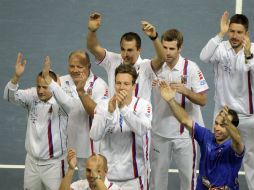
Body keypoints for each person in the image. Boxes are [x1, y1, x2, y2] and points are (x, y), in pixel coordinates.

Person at [200, 11, 254, 189]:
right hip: (222, 115)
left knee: (250, 161)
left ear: (246, 34)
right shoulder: (221, 47)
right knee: (217, 156)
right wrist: (219, 34)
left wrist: (248, 56)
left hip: (246, 116)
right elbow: (204, 57)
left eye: (239, 32)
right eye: (231, 31)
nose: (234, 36)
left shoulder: (252, 50)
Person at [150, 29, 209, 190]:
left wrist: (186, 91)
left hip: (186, 135)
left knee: (188, 180)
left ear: (180, 48)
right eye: (164, 48)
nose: (167, 52)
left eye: (171, 48)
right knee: (156, 179)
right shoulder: (154, 67)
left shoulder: (191, 68)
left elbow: (203, 100)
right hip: (160, 133)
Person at [159, 81, 244, 190]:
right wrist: (171, 100)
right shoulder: (206, 137)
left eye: (223, 125)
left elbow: (237, 139)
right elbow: (185, 120)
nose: (217, 128)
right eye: (216, 123)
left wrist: (228, 123)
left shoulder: (235, 147)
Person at [3, 53, 67, 190]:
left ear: (53, 85)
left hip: (54, 165)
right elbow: (9, 96)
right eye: (39, 86)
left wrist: (57, 88)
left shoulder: (61, 102)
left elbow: (69, 104)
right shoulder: (32, 95)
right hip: (32, 162)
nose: (41, 90)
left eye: (45, 87)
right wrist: (16, 77)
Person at [89, 64, 152, 190]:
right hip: (108, 178)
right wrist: (109, 113)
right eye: (118, 83)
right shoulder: (103, 105)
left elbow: (142, 129)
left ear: (134, 86)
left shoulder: (143, 105)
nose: (121, 87)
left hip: (134, 178)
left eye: (126, 84)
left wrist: (123, 109)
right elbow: (94, 135)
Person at [86, 12, 166, 100]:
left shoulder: (146, 66)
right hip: (114, 112)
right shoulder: (112, 60)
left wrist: (154, 37)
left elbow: (162, 58)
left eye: (129, 50)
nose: (125, 54)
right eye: (123, 49)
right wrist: (92, 31)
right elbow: (93, 47)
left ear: (139, 50)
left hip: (138, 113)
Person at [60, 50, 108, 179]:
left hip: (88, 149)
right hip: (64, 148)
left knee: (89, 185)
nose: (75, 70)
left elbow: (97, 115)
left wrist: (82, 93)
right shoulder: (61, 82)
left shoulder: (99, 86)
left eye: (79, 67)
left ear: (89, 66)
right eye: (71, 66)